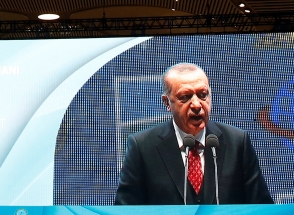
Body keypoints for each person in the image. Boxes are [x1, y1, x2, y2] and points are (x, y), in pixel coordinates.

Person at [115, 63, 272, 205]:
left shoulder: (237, 142)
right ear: (167, 102)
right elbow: (126, 214)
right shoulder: (142, 147)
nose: (197, 105)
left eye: (203, 95)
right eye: (185, 97)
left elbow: (262, 209)